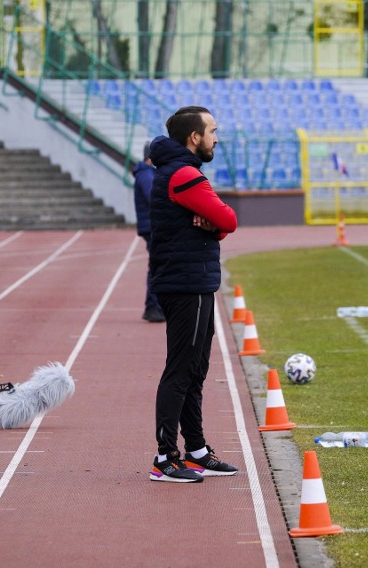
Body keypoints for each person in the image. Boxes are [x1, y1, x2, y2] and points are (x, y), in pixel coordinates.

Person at [147, 106, 239, 483]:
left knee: (195, 370)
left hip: (193, 281)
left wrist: (213, 228)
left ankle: (197, 450)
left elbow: (217, 224)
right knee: (181, 371)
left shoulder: (180, 172)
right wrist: (216, 225)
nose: (217, 138)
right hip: (186, 284)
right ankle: (164, 458)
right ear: (194, 138)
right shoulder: (185, 175)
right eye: (212, 131)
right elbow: (230, 219)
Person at [133, 141, 165, 323]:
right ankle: (153, 307)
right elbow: (154, 197)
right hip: (152, 226)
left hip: (150, 225)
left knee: (158, 265)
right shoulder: (146, 175)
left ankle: (156, 306)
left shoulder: (147, 173)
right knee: (157, 266)